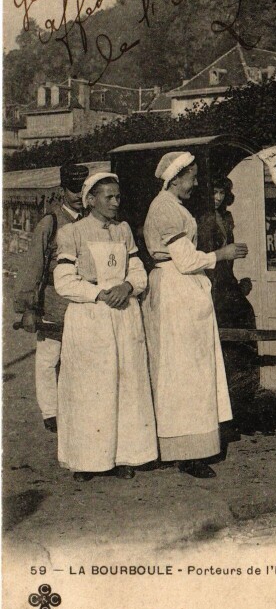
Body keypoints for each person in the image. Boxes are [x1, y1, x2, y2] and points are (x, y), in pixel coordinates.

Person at [143, 152, 248, 478]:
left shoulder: (174, 207)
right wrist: (223, 253)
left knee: (192, 370)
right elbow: (186, 261)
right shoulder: (164, 209)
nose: (197, 183)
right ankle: (184, 451)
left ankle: (194, 445)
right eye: (192, 177)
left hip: (184, 292)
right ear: (175, 179)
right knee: (182, 373)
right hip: (176, 291)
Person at [54, 173, 157, 482]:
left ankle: (124, 455)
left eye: (118, 197)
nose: (115, 202)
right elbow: (63, 281)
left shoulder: (123, 231)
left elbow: (138, 271)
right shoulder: (72, 232)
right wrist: (98, 293)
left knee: (126, 385)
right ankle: (87, 460)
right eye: (108, 197)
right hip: (91, 318)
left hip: (124, 315)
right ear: (91, 200)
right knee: (92, 388)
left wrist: (127, 286)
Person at [14, 162, 89, 433]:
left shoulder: (92, 219)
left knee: (79, 357)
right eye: (74, 190)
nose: (79, 196)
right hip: (55, 301)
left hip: (83, 300)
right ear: (62, 189)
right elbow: (34, 264)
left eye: (83, 189)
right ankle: (50, 411)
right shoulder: (51, 221)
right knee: (49, 358)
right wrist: (28, 306)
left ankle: (75, 406)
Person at [197, 176, 258, 433]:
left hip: (226, 283)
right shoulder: (203, 221)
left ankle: (239, 401)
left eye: (222, 193)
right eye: (214, 193)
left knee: (242, 331)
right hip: (211, 285)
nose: (218, 198)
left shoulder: (225, 217)